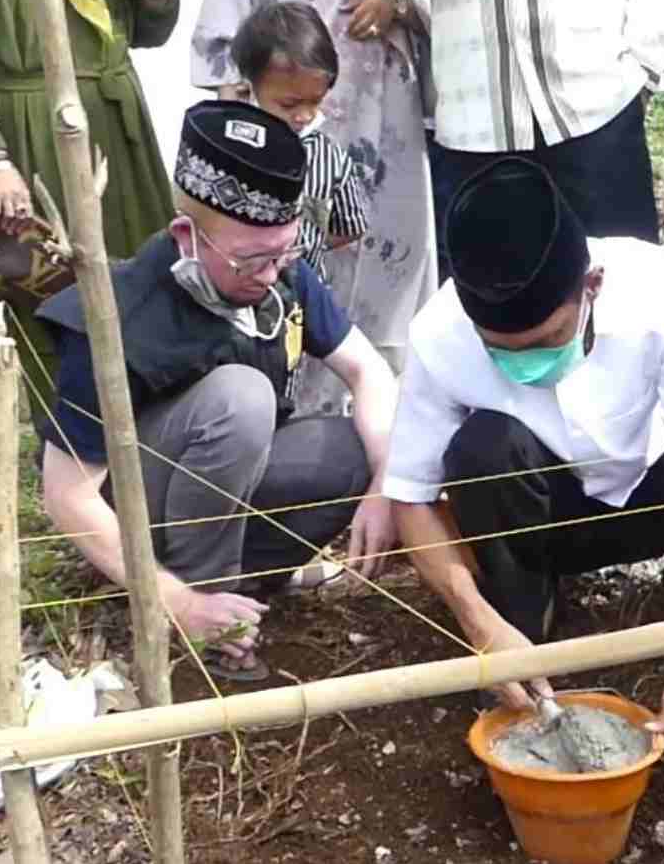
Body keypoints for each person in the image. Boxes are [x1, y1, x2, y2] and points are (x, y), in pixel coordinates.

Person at [383, 157, 664, 760]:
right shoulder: (439, 333)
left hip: (652, 499)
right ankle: (525, 622)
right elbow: (410, 497)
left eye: (547, 341)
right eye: (502, 353)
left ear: (591, 284)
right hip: (545, 519)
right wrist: (478, 623)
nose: (528, 365)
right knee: (481, 447)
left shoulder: (663, 292)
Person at [36, 101, 400, 680]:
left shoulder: (282, 276)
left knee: (351, 447)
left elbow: (369, 371)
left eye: (285, 252)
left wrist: (384, 485)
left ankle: (246, 586)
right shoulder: (118, 318)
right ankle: (199, 602)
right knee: (241, 398)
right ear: (187, 237)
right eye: (252, 260)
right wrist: (179, 603)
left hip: (225, 487)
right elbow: (67, 496)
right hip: (135, 510)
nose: (271, 273)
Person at [0, 0, 182, 428]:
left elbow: (150, 33)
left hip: (116, 124)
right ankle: (70, 444)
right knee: (44, 288)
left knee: (148, 279)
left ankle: (156, 434)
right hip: (29, 125)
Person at [192, 0, 438, 416]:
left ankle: (384, 411)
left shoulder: (328, 155)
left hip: (382, 88)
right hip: (280, 73)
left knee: (388, 269)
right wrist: (237, 116)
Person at [379, 0, 664, 278]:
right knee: (495, 293)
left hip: (596, 103)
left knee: (623, 283)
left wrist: (645, 65)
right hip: (476, 121)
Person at [228, 1, 373, 413]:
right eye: (289, 105)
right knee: (242, 380)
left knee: (290, 380)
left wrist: (308, 247)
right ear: (251, 86)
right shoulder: (231, 148)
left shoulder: (329, 157)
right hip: (235, 299)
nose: (304, 116)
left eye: (315, 102)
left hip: (298, 300)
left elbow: (350, 225)